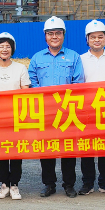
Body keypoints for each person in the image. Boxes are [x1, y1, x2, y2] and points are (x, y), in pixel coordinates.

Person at [28, 16, 85, 198]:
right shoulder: (37, 58)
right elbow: (32, 81)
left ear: (63, 35)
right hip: (45, 111)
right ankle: (49, 184)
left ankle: (69, 184)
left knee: (68, 149)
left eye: (58, 33)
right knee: (46, 149)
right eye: (50, 33)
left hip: (67, 111)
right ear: (45, 36)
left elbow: (78, 82)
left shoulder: (74, 57)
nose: (54, 37)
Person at [0, 32, 30, 200]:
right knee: (2, 150)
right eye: (1, 46)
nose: (4, 49)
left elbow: (25, 92)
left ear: (12, 49)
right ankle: (4, 184)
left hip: (17, 117)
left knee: (16, 151)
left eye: (8, 46)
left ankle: (15, 185)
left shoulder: (20, 68)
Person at [78, 19, 105, 196]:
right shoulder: (80, 59)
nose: (96, 40)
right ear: (87, 39)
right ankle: (87, 183)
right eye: (93, 37)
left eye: (100, 37)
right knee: (86, 147)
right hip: (86, 110)